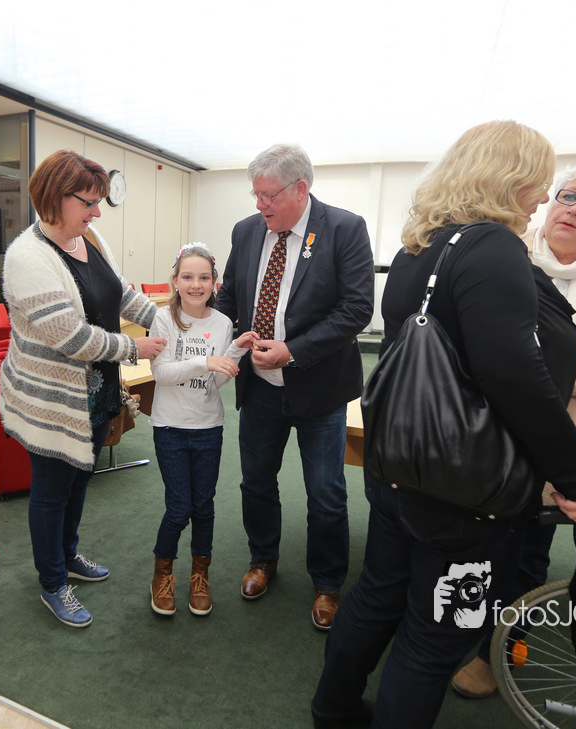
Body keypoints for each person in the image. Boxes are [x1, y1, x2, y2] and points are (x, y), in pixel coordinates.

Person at [310, 121, 576, 729]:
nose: (544, 198)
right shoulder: (494, 249)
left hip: (401, 464)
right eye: (541, 183)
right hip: (466, 488)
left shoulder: (419, 245)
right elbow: (516, 379)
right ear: (511, 178)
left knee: (377, 594)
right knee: (434, 637)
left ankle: (333, 711)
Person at [452, 152, 576, 698]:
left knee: (527, 555)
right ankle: (450, 628)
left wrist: (552, 375)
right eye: (569, 195)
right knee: (467, 540)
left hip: (554, 441)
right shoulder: (505, 249)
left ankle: (498, 652)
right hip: (480, 429)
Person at [0, 149, 166, 628]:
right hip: (54, 399)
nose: (97, 213)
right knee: (52, 490)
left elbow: (121, 292)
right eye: (89, 203)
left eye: (98, 202)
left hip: (96, 392)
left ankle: (68, 555)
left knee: (80, 480)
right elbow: (70, 337)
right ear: (55, 197)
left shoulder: (88, 237)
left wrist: (166, 321)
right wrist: (135, 348)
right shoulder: (27, 257)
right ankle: (53, 582)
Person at [214, 143, 375, 630]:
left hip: (319, 387)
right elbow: (229, 296)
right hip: (260, 387)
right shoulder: (247, 231)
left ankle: (327, 582)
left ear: (300, 188)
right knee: (255, 481)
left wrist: (293, 350)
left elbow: (356, 309)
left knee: (325, 492)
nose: (259, 204)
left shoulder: (344, 229)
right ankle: (262, 559)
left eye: (268, 195)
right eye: (255, 195)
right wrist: (212, 334)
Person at [148, 242, 255, 617]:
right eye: (188, 277)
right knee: (179, 508)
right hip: (170, 427)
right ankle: (162, 574)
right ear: (175, 281)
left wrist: (235, 350)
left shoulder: (222, 323)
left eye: (204, 278)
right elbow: (161, 373)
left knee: (204, 507)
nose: (196, 284)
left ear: (215, 283)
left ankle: (199, 575)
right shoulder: (164, 318)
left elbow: (216, 381)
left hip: (208, 427)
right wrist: (204, 361)